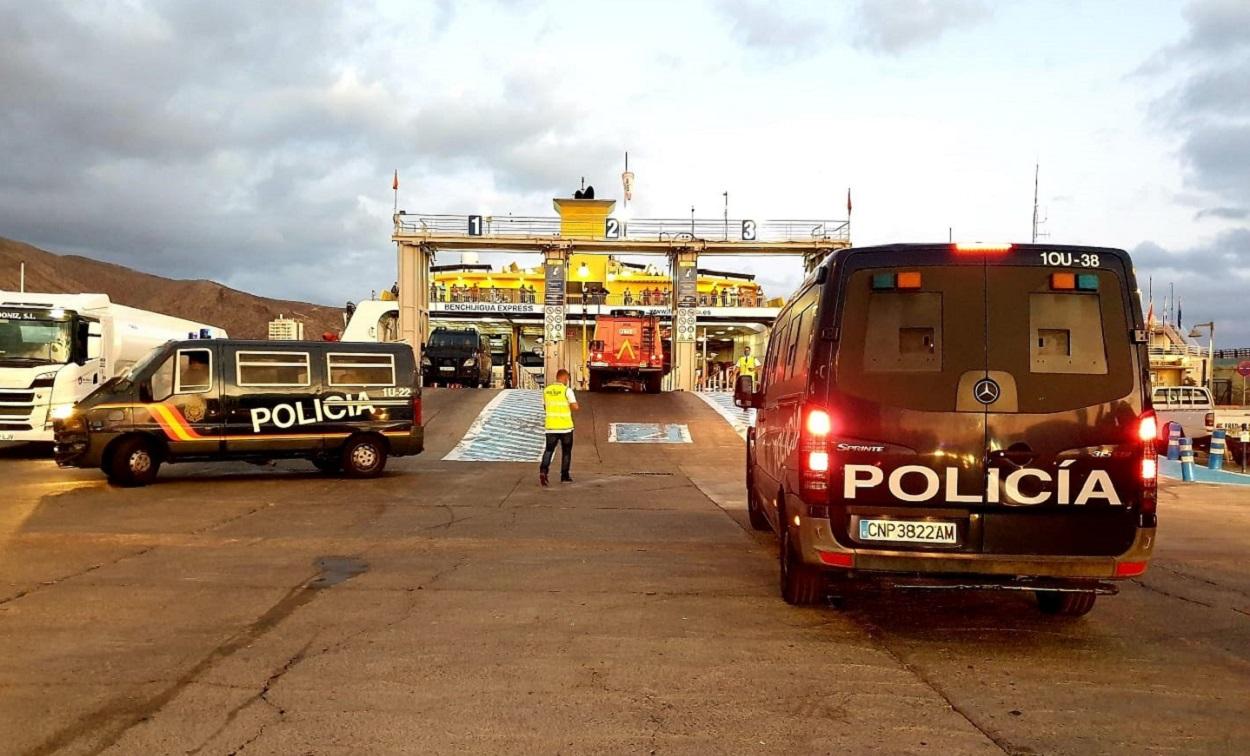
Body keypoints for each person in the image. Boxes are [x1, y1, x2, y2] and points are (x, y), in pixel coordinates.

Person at [540, 369, 579, 486]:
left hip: (551, 427)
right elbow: (575, 407)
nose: (567, 381)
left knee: (549, 450)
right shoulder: (567, 391)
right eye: (567, 379)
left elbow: (545, 407)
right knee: (566, 452)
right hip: (565, 427)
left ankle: (543, 470)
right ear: (564, 378)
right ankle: (564, 476)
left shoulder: (546, 390)